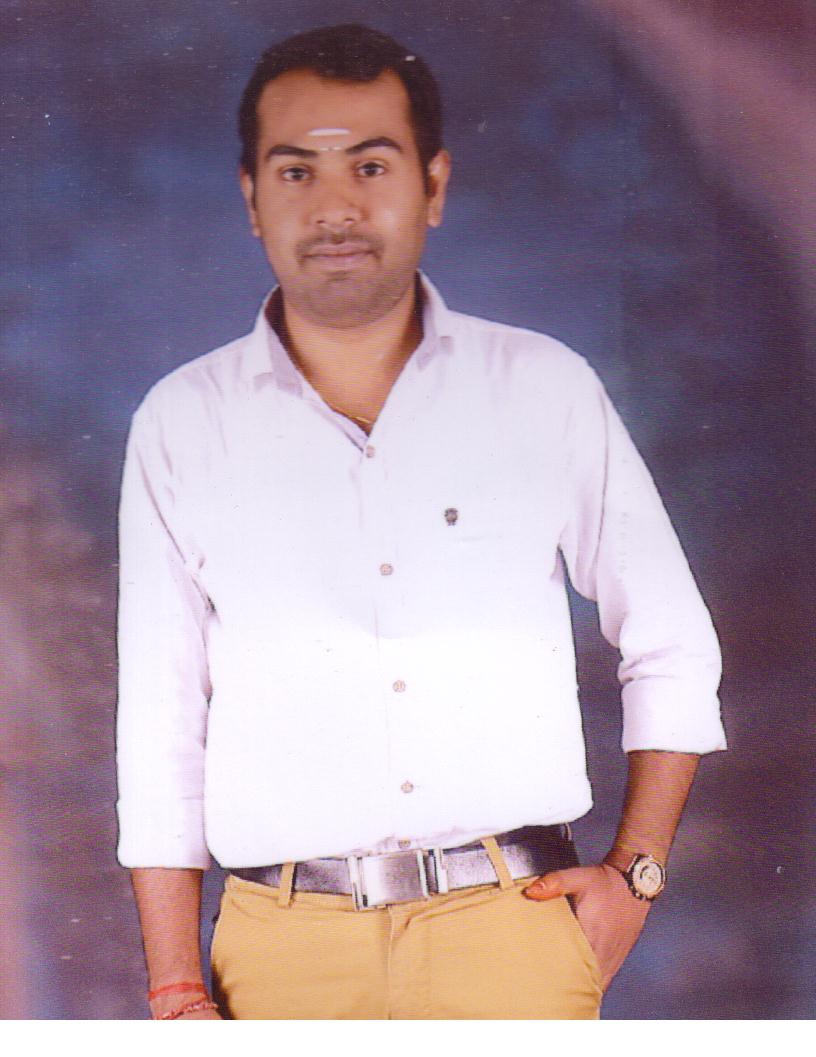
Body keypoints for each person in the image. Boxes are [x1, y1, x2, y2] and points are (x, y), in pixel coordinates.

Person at [116, 23, 726, 1020]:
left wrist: (637, 876)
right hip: (276, 955)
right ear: (252, 198)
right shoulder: (182, 424)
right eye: (297, 171)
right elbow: (160, 720)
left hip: (513, 933)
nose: (335, 206)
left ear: (433, 185)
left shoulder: (542, 388)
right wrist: (179, 985)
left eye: (370, 165)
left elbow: (673, 642)